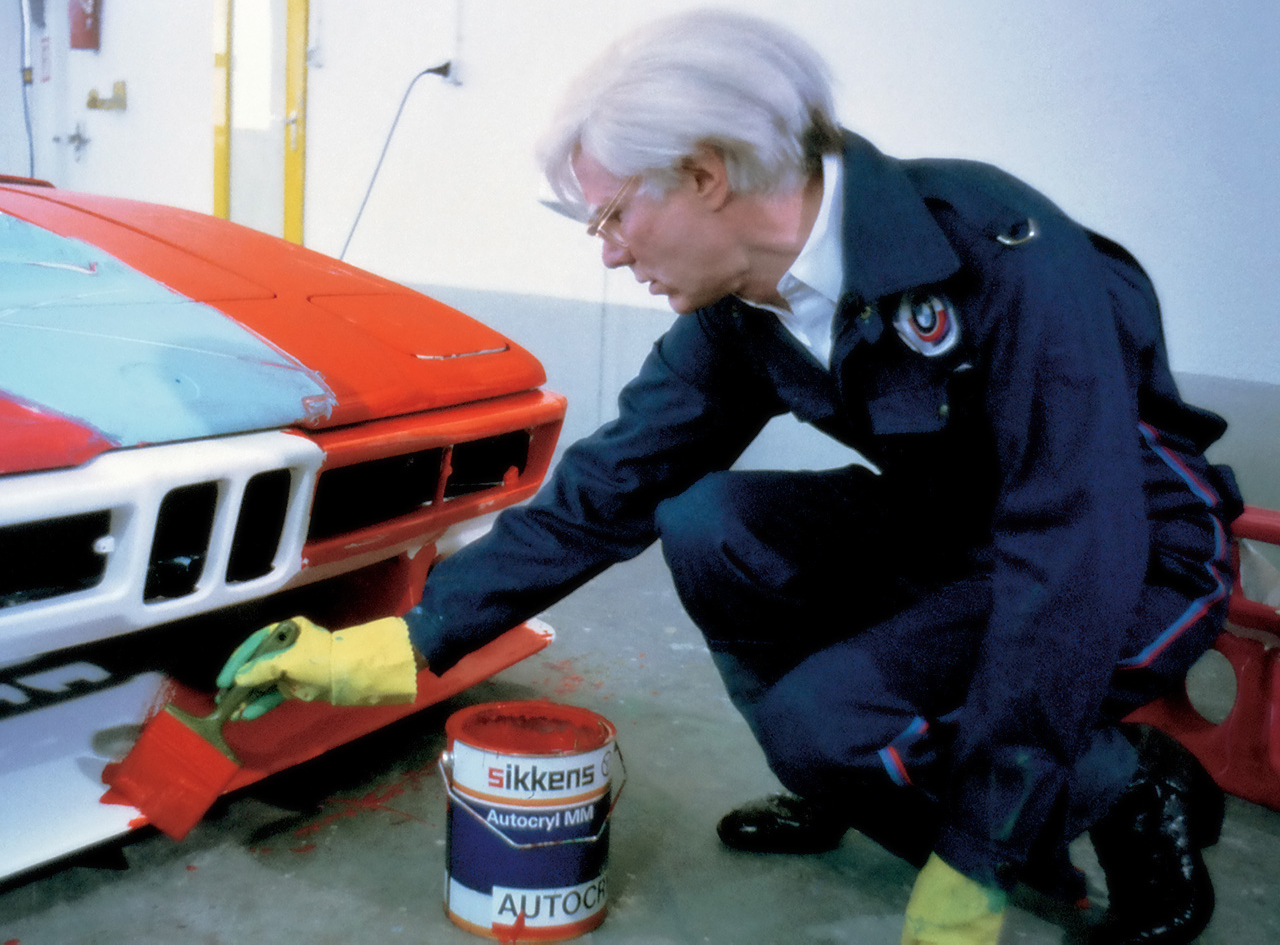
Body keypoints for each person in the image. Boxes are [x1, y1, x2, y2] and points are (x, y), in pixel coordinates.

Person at [220, 10, 1243, 944]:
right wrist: (403, 643)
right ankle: (847, 774)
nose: (609, 255)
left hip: (1127, 553)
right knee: (709, 519)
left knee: (828, 724)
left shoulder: (994, 250)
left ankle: (1123, 785)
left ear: (705, 174)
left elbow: (1066, 547)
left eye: (612, 215)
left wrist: (977, 845)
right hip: (965, 534)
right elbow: (606, 491)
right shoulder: (738, 313)